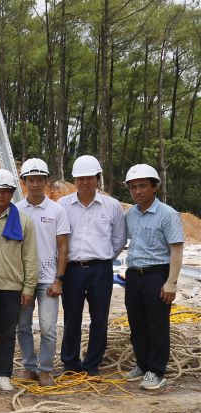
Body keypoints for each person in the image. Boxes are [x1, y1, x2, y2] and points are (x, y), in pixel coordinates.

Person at [58, 155, 126, 375]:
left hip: (101, 270)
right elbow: (57, 239)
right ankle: (70, 363)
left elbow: (118, 240)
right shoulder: (63, 205)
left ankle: (91, 364)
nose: (85, 182)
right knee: (71, 317)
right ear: (74, 180)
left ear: (98, 179)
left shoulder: (112, 205)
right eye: (80, 178)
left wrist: (104, 258)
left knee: (99, 318)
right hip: (72, 270)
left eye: (89, 178)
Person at [121, 164, 184, 391]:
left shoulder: (168, 215)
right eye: (133, 187)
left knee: (156, 324)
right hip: (134, 276)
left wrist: (171, 282)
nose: (138, 191)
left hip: (157, 274)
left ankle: (156, 371)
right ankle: (142, 364)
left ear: (154, 187)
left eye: (142, 186)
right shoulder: (131, 215)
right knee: (137, 323)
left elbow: (176, 250)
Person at [0, 170, 38, 392]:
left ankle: (4, 374)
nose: (0, 195)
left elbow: (30, 257)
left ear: (12, 193)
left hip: (12, 287)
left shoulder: (23, 221)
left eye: (5, 191)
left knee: (9, 333)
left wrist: (29, 288)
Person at [16, 159, 70, 387]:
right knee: (23, 326)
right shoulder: (16, 210)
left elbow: (63, 247)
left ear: (46, 182)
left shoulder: (57, 211)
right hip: (23, 279)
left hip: (48, 279)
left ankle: (45, 368)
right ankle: (29, 367)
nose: (35, 184)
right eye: (31, 180)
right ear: (24, 182)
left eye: (40, 179)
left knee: (48, 327)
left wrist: (59, 279)